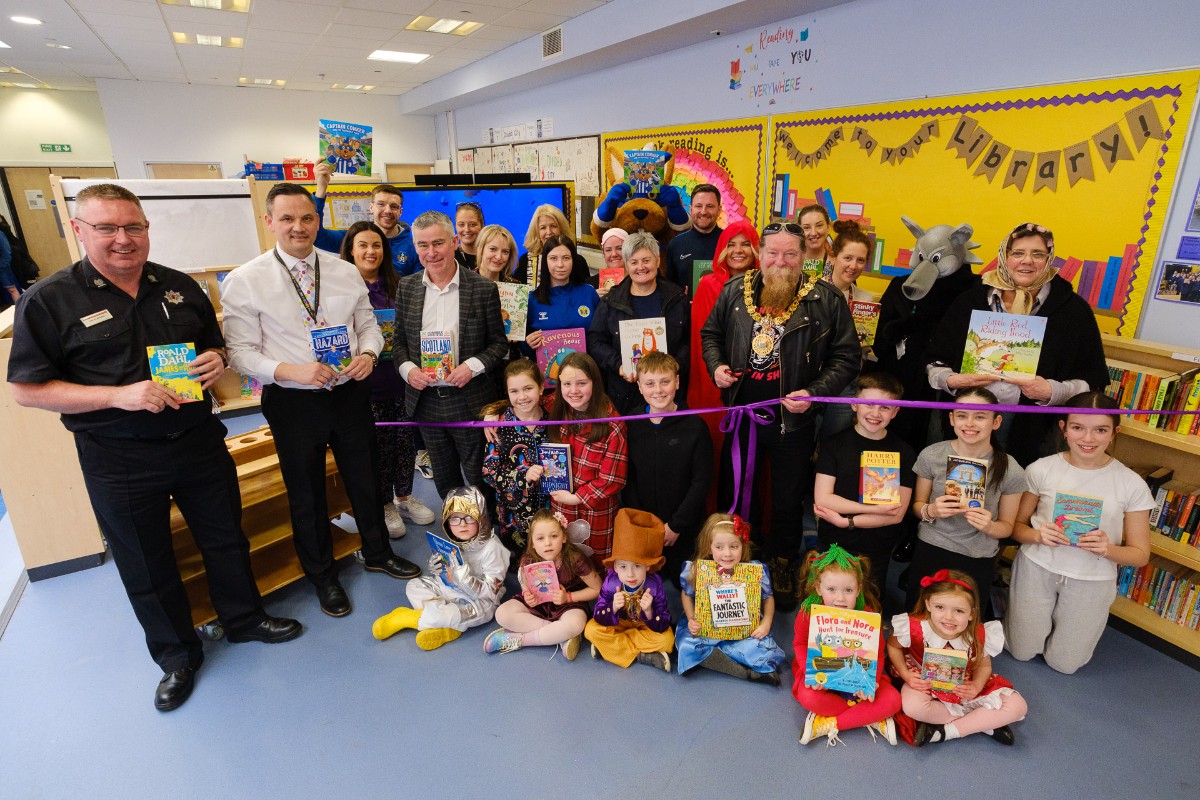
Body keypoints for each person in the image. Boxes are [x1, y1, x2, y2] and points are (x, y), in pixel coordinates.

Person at [6, 183, 301, 712]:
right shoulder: (48, 300)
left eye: (134, 226)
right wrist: (118, 395)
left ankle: (244, 619)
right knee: (146, 563)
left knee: (225, 540)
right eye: (107, 228)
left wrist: (216, 361)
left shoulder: (180, 288)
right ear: (79, 230)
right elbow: (28, 389)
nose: (123, 239)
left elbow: (214, 347)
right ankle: (176, 657)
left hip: (198, 443)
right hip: (117, 458)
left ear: (147, 228)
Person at [222, 182, 420, 620]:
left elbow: (367, 323)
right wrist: (292, 371)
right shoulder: (245, 280)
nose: (299, 227)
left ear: (318, 220)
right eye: (288, 218)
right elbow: (239, 352)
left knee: (365, 478)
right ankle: (323, 575)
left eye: (307, 217)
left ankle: (376, 550)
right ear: (269, 221)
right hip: (294, 402)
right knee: (306, 491)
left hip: (349, 391)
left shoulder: (342, 269)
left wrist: (368, 354)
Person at [700, 220, 860, 606]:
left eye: (791, 253)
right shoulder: (734, 291)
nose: (781, 261)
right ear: (761, 253)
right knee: (739, 494)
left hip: (795, 419)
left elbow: (847, 357)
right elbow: (711, 336)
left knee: (787, 498)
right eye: (773, 252)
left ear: (804, 255)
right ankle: (740, 560)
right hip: (742, 414)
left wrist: (816, 393)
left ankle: (785, 562)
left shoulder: (827, 298)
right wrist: (717, 366)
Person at [925, 222, 1108, 465]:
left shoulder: (1073, 310)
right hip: (968, 418)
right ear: (1005, 256)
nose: (1027, 261)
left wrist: (1052, 391)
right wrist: (951, 380)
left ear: (1049, 259)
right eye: (1018, 253)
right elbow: (934, 359)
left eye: (1038, 254)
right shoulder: (971, 300)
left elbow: (1092, 380)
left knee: (1017, 491)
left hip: (1033, 426)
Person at [1007, 392, 1153, 673]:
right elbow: (1015, 528)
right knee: (1021, 651)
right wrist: (1038, 536)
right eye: (1078, 428)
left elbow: (1140, 555)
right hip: (1038, 567)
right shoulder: (1042, 469)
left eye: (1100, 430)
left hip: (1092, 579)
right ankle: (1013, 607)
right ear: (1063, 429)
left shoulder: (1131, 484)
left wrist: (1107, 549)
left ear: (1114, 433)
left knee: (1065, 664)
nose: (1088, 439)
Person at [392, 210, 510, 499]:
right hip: (427, 402)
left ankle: (485, 537)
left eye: (438, 243)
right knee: (445, 480)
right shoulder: (407, 288)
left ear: (455, 241)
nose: (431, 253)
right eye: (422, 245)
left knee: (479, 477)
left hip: (470, 400)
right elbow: (398, 345)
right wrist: (409, 371)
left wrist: (472, 366)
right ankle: (458, 531)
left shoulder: (482, 288)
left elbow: (498, 344)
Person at [338, 221, 435, 538]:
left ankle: (404, 497)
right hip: (363, 385)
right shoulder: (340, 289)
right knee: (377, 449)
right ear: (351, 250)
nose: (370, 251)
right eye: (363, 245)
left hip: (401, 381)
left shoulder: (401, 285)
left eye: (376, 245)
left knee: (405, 444)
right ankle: (384, 504)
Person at [906, 388, 1026, 617]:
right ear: (951, 419)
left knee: (961, 623)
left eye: (980, 416)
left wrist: (989, 526)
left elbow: (1007, 527)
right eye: (962, 415)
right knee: (919, 615)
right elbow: (917, 507)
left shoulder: (1010, 469)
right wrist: (930, 510)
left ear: (996, 421)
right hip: (932, 546)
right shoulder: (932, 455)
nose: (970, 423)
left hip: (977, 555)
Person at [887, 570, 1027, 746]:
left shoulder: (979, 634)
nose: (948, 617)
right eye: (940, 607)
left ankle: (946, 731)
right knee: (912, 706)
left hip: (963, 687)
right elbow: (893, 646)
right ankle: (982, 721)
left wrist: (976, 686)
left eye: (959, 611)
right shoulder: (913, 627)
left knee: (1018, 706)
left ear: (972, 614)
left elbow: (983, 667)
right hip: (924, 683)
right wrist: (906, 674)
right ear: (928, 604)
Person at [812, 373, 916, 595]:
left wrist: (846, 521)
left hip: (877, 545)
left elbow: (896, 514)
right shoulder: (834, 445)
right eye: (868, 404)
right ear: (854, 404)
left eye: (885, 407)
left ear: (896, 411)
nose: (875, 413)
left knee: (867, 606)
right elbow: (823, 499)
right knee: (828, 605)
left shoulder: (905, 452)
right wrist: (873, 509)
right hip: (834, 541)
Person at [371, 486, 510, 651]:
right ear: (446, 521)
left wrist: (465, 578)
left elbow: (491, 593)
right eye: (455, 519)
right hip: (451, 588)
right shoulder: (457, 539)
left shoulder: (494, 549)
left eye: (469, 517)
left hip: (479, 601)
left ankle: (407, 618)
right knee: (414, 585)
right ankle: (445, 627)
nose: (462, 524)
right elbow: (447, 574)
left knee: (452, 613)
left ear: (481, 518)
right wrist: (437, 567)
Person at [793, 545, 901, 746]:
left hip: (857, 679)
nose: (840, 598)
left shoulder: (868, 616)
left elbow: (877, 654)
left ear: (859, 589)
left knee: (894, 700)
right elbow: (799, 644)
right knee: (808, 697)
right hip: (823, 678)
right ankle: (867, 716)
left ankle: (828, 722)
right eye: (831, 589)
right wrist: (811, 674)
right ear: (818, 588)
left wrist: (871, 683)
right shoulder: (808, 614)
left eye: (848, 590)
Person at [623, 351, 712, 586]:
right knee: (644, 584)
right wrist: (642, 522)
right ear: (640, 387)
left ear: (677, 382)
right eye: (650, 384)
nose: (658, 390)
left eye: (665, 381)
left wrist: (676, 525)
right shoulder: (631, 424)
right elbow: (628, 476)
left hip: (683, 528)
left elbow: (701, 481)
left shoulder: (695, 426)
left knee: (685, 585)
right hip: (645, 526)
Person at [586, 230, 689, 414]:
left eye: (646, 260)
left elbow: (688, 340)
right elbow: (595, 342)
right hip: (625, 394)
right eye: (634, 262)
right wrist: (619, 364)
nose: (640, 267)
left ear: (658, 261)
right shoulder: (611, 301)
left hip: (665, 393)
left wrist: (675, 363)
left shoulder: (675, 297)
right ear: (626, 265)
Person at [676, 513, 785, 684]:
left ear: (743, 546)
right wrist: (691, 618)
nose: (727, 553)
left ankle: (717, 658)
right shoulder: (698, 570)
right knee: (685, 646)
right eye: (719, 547)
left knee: (763, 648)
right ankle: (741, 669)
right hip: (707, 627)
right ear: (709, 547)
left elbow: (768, 597)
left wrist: (766, 623)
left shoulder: (754, 571)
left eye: (734, 546)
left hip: (743, 629)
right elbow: (686, 594)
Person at [484, 508, 601, 657]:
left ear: (564, 537)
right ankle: (559, 636)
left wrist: (568, 597)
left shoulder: (575, 559)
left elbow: (597, 589)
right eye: (540, 538)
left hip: (568, 605)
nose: (547, 543)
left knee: (576, 623)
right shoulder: (529, 558)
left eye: (554, 536)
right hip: (538, 606)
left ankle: (521, 639)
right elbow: (525, 581)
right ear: (532, 542)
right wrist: (527, 594)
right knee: (502, 614)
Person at [549, 352, 628, 560]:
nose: (573, 391)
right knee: (565, 558)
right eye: (566, 384)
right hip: (561, 506)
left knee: (596, 563)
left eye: (582, 383)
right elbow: (525, 400)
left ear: (594, 382)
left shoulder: (612, 422)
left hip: (596, 511)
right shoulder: (556, 407)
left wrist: (576, 498)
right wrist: (496, 411)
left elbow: (613, 479)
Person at [584, 508, 675, 671]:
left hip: (643, 624)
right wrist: (612, 607)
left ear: (647, 566)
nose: (630, 574)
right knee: (590, 630)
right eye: (623, 566)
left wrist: (649, 612)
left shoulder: (654, 585)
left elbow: (664, 622)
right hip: (619, 622)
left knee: (667, 640)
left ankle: (610, 647)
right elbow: (598, 615)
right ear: (616, 567)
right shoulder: (611, 582)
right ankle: (643, 654)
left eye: (637, 566)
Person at [687, 220, 758, 419]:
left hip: (753, 372)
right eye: (731, 244)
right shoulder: (708, 285)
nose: (738, 250)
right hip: (715, 369)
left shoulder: (765, 285)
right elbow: (702, 338)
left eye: (745, 244)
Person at [481, 359, 552, 553]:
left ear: (541, 387)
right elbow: (489, 472)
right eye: (514, 391)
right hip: (515, 515)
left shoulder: (554, 418)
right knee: (519, 563)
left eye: (528, 388)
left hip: (551, 510)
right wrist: (522, 476)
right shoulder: (499, 424)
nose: (522, 397)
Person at [819, 219, 879, 438]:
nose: (853, 266)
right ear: (833, 257)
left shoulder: (867, 301)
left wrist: (866, 346)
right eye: (847, 258)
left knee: (834, 443)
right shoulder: (810, 292)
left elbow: (868, 348)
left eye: (860, 260)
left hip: (846, 382)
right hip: (811, 378)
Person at [311, 162, 421, 275]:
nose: (387, 211)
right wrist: (321, 189)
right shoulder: (354, 238)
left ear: (400, 212)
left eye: (393, 206)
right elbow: (317, 236)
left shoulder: (414, 246)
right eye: (381, 204)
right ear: (371, 207)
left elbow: (416, 286)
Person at [525, 234, 598, 357]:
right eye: (553, 258)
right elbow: (525, 348)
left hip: (585, 371)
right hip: (546, 372)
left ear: (573, 260)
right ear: (545, 261)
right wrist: (528, 344)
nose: (560, 264)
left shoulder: (589, 293)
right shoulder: (533, 299)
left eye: (566, 258)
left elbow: (600, 337)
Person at [665, 184, 723, 294]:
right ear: (691, 209)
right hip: (685, 310)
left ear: (719, 210)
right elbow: (669, 287)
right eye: (698, 206)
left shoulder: (729, 242)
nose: (704, 211)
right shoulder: (675, 244)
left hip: (723, 310)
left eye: (710, 206)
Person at [514, 203, 571, 284]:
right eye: (543, 228)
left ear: (562, 229)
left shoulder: (577, 260)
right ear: (537, 232)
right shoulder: (525, 261)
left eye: (553, 226)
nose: (549, 232)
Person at [796, 204, 832, 280]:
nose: (813, 233)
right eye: (806, 227)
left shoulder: (838, 261)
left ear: (828, 227)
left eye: (819, 226)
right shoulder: (791, 260)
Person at [591, 227, 628, 297]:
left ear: (629, 251)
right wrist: (592, 299)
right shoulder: (591, 285)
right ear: (603, 254)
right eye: (608, 250)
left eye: (619, 248)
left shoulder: (637, 281)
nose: (614, 254)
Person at [454, 201, 484, 270]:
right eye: (461, 225)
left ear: (482, 226)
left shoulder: (492, 256)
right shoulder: (449, 257)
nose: (467, 229)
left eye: (472, 224)